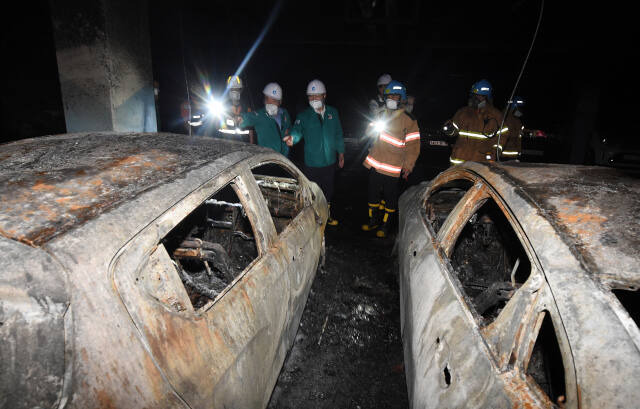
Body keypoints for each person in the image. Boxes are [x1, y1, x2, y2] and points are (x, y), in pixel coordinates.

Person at [362, 80, 420, 238]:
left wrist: (408, 166)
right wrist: (371, 128)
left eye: (395, 96)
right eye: (389, 96)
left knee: (390, 197)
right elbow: (369, 132)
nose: (392, 99)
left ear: (401, 99)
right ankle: (373, 220)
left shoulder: (409, 119)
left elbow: (413, 146)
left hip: (393, 167)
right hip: (376, 162)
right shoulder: (380, 114)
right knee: (372, 194)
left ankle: (386, 225)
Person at [283, 79, 345, 226]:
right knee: (311, 192)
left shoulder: (333, 113)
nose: (313, 99)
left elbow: (338, 134)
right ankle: (311, 218)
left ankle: (326, 215)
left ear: (324, 95)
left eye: (317, 95)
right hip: (312, 163)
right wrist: (293, 137)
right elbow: (297, 130)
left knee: (328, 191)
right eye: (310, 96)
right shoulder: (304, 116)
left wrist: (341, 153)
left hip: (329, 161)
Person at [444, 79, 505, 165]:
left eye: (479, 96)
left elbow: (503, 134)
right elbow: (453, 132)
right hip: (459, 161)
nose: (476, 99)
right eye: (474, 95)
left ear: (487, 98)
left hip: (481, 162)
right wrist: (449, 130)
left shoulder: (496, 115)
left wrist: (496, 149)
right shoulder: (463, 112)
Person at [239, 82, 291, 155]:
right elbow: (246, 118)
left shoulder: (285, 114)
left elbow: (288, 130)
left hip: (284, 159)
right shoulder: (260, 115)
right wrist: (237, 117)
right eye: (267, 99)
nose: (270, 104)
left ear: (280, 101)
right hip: (267, 159)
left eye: (274, 100)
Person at [218, 75, 253, 143]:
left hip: (244, 144)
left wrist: (252, 143)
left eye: (237, 89)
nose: (234, 91)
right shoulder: (221, 107)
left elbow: (250, 128)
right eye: (232, 89)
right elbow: (215, 126)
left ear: (241, 90)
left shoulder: (246, 107)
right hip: (225, 144)